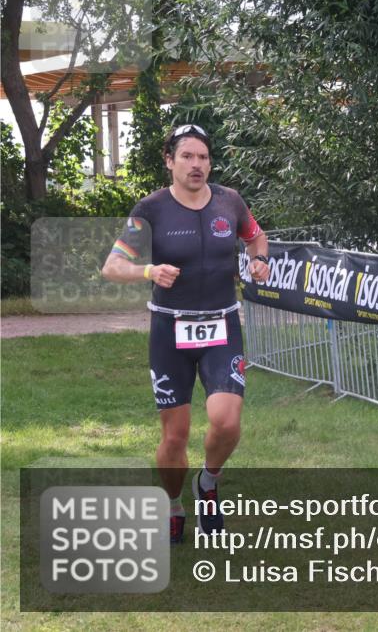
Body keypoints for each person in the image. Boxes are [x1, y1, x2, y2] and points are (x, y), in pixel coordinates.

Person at [102, 124, 270, 544]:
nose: (197, 165)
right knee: (174, 437)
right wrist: (148, 270)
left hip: (221, 325)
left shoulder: (230, 202)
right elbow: (112, 266)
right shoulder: (152, 209)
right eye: (188, 156)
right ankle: (173, 504)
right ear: (170, 161)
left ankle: (208, 483)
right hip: (169, 331)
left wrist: (260, 260)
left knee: (226, 422)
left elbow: (256, 237)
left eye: (203, 157)